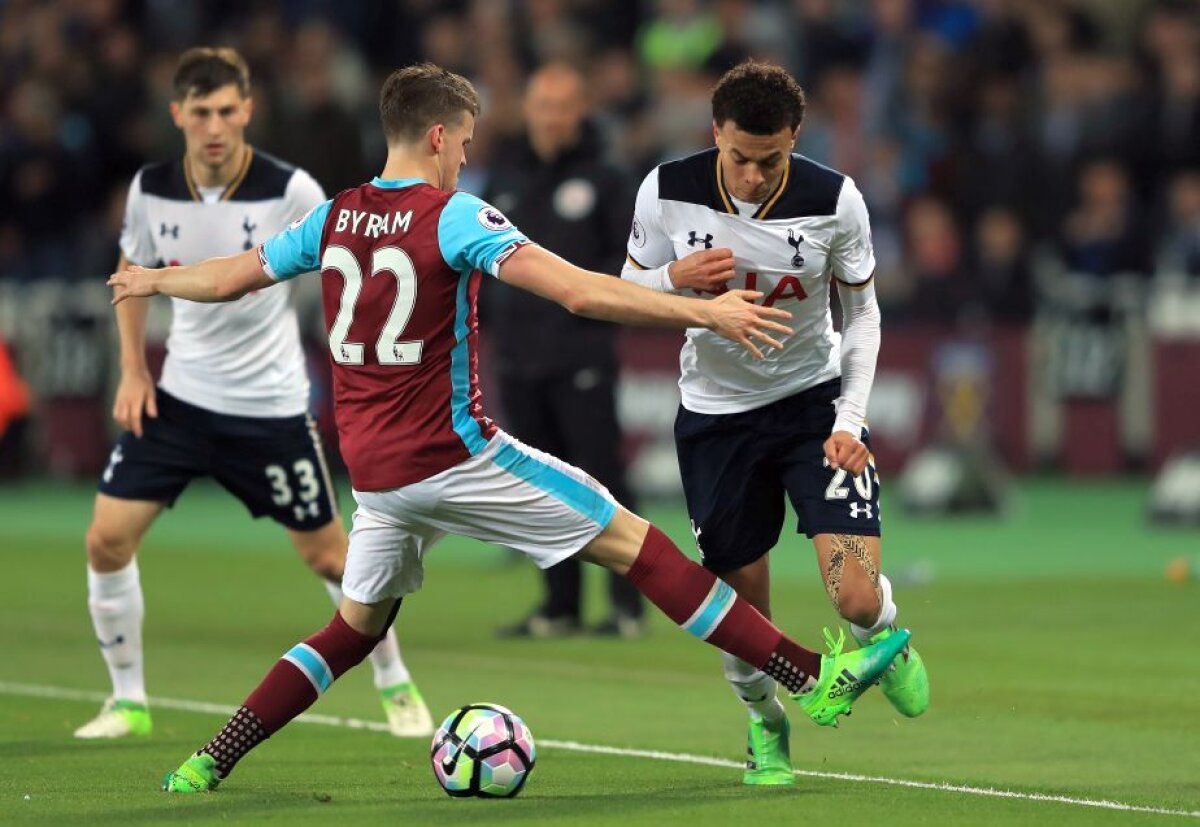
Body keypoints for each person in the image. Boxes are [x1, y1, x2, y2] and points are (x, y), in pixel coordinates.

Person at [107, 62, 909, 794]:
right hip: (457, 456)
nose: (464, 157)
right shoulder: (455, 215)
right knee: (637, 542)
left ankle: (210, 756)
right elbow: (582, 295)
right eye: (461, 142)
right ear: (434, 136)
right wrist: (701, 310)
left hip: (378, 480)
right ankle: (812, 678)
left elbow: (232, 277)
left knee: (351, 630)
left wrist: (151, 278)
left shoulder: (333, 217)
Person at [76, 47, 433, 741]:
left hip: (267, 408)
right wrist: (132, 368)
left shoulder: (291, 189)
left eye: (227, 110)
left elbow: (338, 278)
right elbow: (132, 269)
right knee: (105, 538)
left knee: (335, 559)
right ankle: (127, 701)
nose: (214, 125)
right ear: (178, 114)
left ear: (248, 110)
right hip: (178, 399)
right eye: (201, 112)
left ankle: (394, 679)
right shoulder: (150, 188)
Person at [620, 61, 930, 786]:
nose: (754, 177)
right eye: (739, 158)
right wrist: (673, 281)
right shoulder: (667, 190)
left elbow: (863, 314)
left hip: (812, 405)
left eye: (772, 160)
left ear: (795, 139)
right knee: (741, 611)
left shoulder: (835, 200)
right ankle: (766, 725)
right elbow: (624, 289)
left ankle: (884, 633)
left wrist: (851, 416)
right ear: (715, 134)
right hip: (715, 420)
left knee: (854, 592)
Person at [484, 61, 645, 639]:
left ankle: (627, 606)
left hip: (581, 357)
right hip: (518, 358)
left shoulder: (605, 178)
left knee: (602, 477)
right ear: (528, 110)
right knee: (538, 489)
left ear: (580, 110)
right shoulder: (505, 176)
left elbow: (626, 265)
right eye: (542, 106)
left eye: (562, 106)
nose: (551, 118)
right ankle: (559, 606)